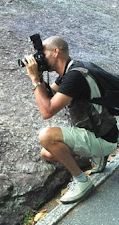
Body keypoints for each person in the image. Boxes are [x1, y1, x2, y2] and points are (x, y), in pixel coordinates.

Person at [23, 36, 118, 204]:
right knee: (48, 153)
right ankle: (98, 157)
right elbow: (50, 95)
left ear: (56, 52)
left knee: (46, 136)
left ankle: (82, 182)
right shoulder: (73, 70)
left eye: (42, 54)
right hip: (104, 130)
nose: (40, 58)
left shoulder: (75, 77)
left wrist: (35, 80)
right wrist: (39, 76)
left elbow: (47, 111)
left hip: (102, 137)